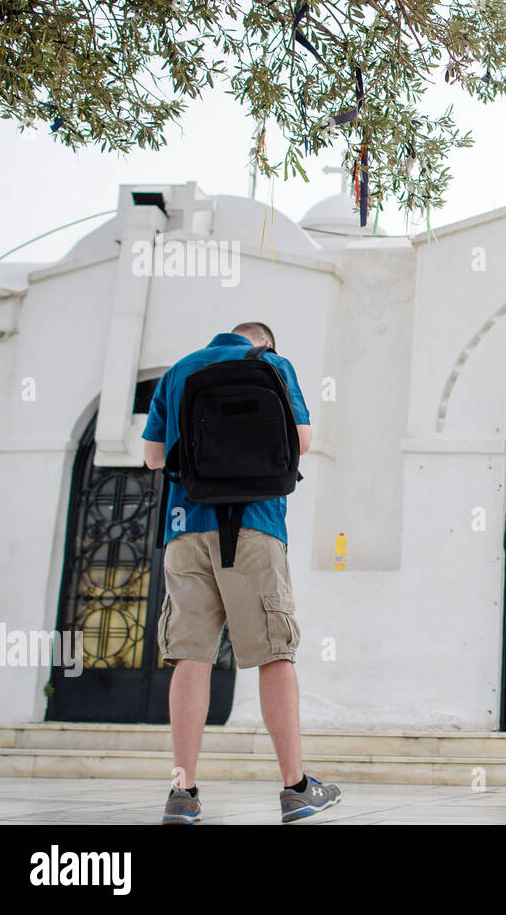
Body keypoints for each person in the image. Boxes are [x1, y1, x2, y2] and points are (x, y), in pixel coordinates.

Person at [142, 322, 341, 824]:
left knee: (190, 656)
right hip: (255, 526)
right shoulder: (271, 364)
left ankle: (182, 792)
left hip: (185, 529)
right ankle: (295, 788)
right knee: (274, 653)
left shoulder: (179, 370)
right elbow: (303, 441)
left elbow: (152, 458)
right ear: (264, 342)